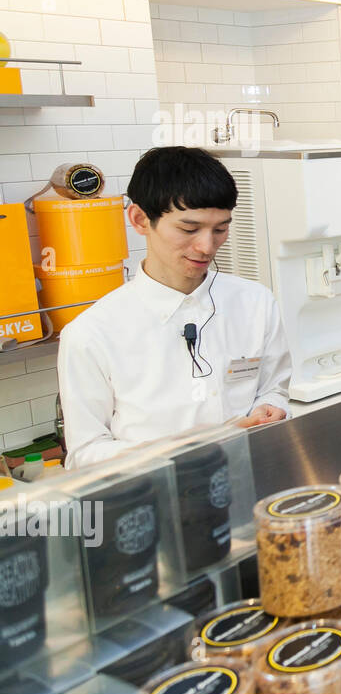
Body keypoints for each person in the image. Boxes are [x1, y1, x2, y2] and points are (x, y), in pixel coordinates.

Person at [58, 147, 292, 469]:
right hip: (152, 500)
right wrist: (184, 448)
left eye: (220, 229)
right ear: (140, 219)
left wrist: (270, 406)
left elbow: (273, 389)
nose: (207, 246)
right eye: (189, 229)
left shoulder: (255, 302)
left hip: (246, 481)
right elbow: (84, 454)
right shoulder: (91, 334)